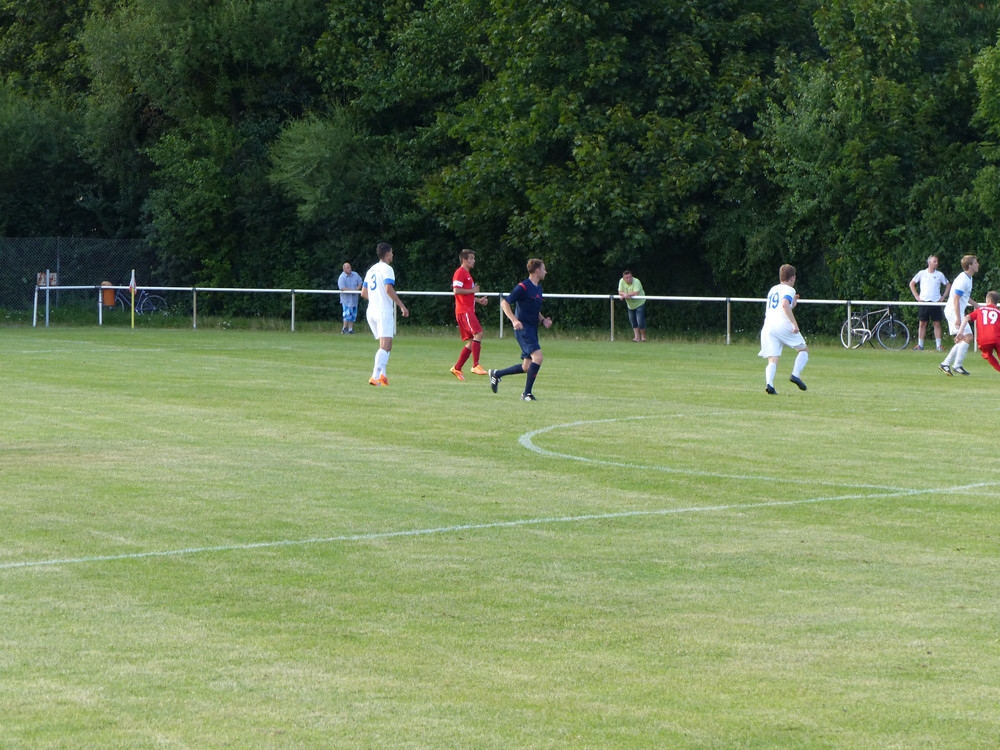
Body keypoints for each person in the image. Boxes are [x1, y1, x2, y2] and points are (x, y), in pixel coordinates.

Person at [489, 258, 552, 401]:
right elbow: (504, 303)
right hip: (523, 329)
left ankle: (496, 374)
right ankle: (526, 394)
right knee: (538, 357)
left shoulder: (538, 288)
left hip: (532, 329)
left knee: (527, 366)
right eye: (543, 269)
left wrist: (543, 320)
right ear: (537, 270)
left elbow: (534, 309)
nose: (545, 271)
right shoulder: (523, 287)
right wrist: (514, 320)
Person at [360, 242, 409, 386]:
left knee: (387, 344)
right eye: (391, 252)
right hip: (383, 311)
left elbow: (363, 293)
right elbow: (388, 289)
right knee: (384, 345)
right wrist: (402, 306)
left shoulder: (371, 269)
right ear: (387, 254)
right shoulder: (387, 269)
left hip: (371, 311)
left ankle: (383, 375)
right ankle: (374, 377)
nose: (392, 255)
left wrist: (376, 298)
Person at [759, 263, 808, 395]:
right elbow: (784, 305)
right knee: (803, 349)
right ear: (792, 278)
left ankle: (769, 384)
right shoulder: (789, 290)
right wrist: (794, 323)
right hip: (782, 325)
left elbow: (782, 306)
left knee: (773, 358)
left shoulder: (773, 289)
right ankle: (795, 375)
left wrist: (793, 303)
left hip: (768, 326)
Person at [450, 249, 490, 381]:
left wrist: (478, 300)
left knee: (472, 341)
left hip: (467, 310)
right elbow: (456, 291)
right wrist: (473, 290)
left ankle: (457, 368)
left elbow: (466, 295)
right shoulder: (460, 273)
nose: (474, 261)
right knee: (478, 333)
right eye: (471, 258)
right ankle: (475, 365)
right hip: (464, 310)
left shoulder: (467, 274)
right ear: (464, 260)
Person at [939, 254, 979, 376]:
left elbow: (965, 297)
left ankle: (948, 364)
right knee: (968, 337)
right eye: (975, 262)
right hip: (953, 311)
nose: (978, 264)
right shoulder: (963, 279)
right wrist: (958, 318)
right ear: (970, 265)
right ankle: (954, 365)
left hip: (956, 311)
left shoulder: (968, 278)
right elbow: (956, 299)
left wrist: (976, 305)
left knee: (963, 338)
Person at [908, 255, 950, 351]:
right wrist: (917, 297)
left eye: (937, 261)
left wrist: (943, 296)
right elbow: (912, 283)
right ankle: (920, 345)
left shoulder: (939, 274)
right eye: (934, 261)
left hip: (935, 302)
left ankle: (939, 345)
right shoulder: (922, 273)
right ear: (929, 262)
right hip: (924, 302)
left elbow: (948, 285)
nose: (936, 263)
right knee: (922, 324)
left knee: (937, 323)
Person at [958, 290, 1000, 373]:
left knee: (988, 355)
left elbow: (967, 317)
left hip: (983, 339)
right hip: (997, 337)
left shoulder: (980, 310)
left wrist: (960, 331)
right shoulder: (998, 312)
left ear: (988, 300)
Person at [618, 269, 647, 342]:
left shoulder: (636, 281)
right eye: (627, 278)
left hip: (639, 303)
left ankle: (643, 337)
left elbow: (636, 293)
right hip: (630, 305)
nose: (629, 279)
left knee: (640, 320)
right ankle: (637, 337)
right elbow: (620, 292)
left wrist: (626, 295)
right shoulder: (621, 281)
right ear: (624, 279)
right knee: (633, 320)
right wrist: (624, 294)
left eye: (630, 277)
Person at [337, 262, 363, 334]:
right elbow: (342, 288)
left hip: (354, 299)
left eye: (350, 267)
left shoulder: (355, 274)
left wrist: (356, 290)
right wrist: (352, 291)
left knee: (353, 314)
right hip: (346, 300)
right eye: (348, 268)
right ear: (344, 269)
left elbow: (360, 283)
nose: (349, 269)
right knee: (346, 314)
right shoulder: (342, 277)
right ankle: (344, 328)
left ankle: (350, 329)